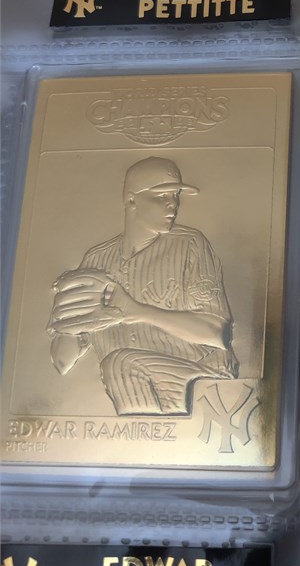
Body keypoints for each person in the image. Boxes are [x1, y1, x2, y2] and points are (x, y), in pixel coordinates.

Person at [47, 157, 238, 416]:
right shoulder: (96, 260)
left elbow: (217, 333)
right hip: (126, 383)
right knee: (119, 365)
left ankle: (149, 434)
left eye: (176, 196)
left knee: (119, 363)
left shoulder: (190, 245)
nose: (173, 204)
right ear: (131, 200)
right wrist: (68, 327)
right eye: (162, 196)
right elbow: (62, 363)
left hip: (199, 379)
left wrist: (136, 311)